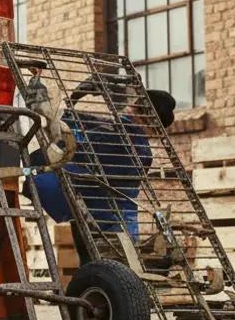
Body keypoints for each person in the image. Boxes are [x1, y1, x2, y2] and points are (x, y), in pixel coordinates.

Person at [24, 81, 176, 255]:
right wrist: (73, 102)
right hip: (115, 228)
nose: (128, 107)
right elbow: (88, 126)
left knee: (39, 174)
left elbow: (72, 147)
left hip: (106, 231)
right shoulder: (140, 147)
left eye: (134, 104)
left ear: (138, 111)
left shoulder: (122, 137)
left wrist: (54, 117)